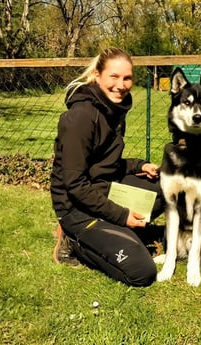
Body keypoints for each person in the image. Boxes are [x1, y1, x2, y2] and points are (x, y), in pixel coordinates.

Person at [50, 47, 164, 287]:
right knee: (142, 272)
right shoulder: (81, 116)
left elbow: (104, 164)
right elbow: (75, 184)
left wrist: (139, 165)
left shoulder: (113, 111)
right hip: (75, 208)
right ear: (98, 75)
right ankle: (73, 241)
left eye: (127, 78)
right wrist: (122, 216)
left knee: (165, 186)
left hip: (102, 190)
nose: (121, 85)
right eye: (114, 76)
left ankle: (119, 234)